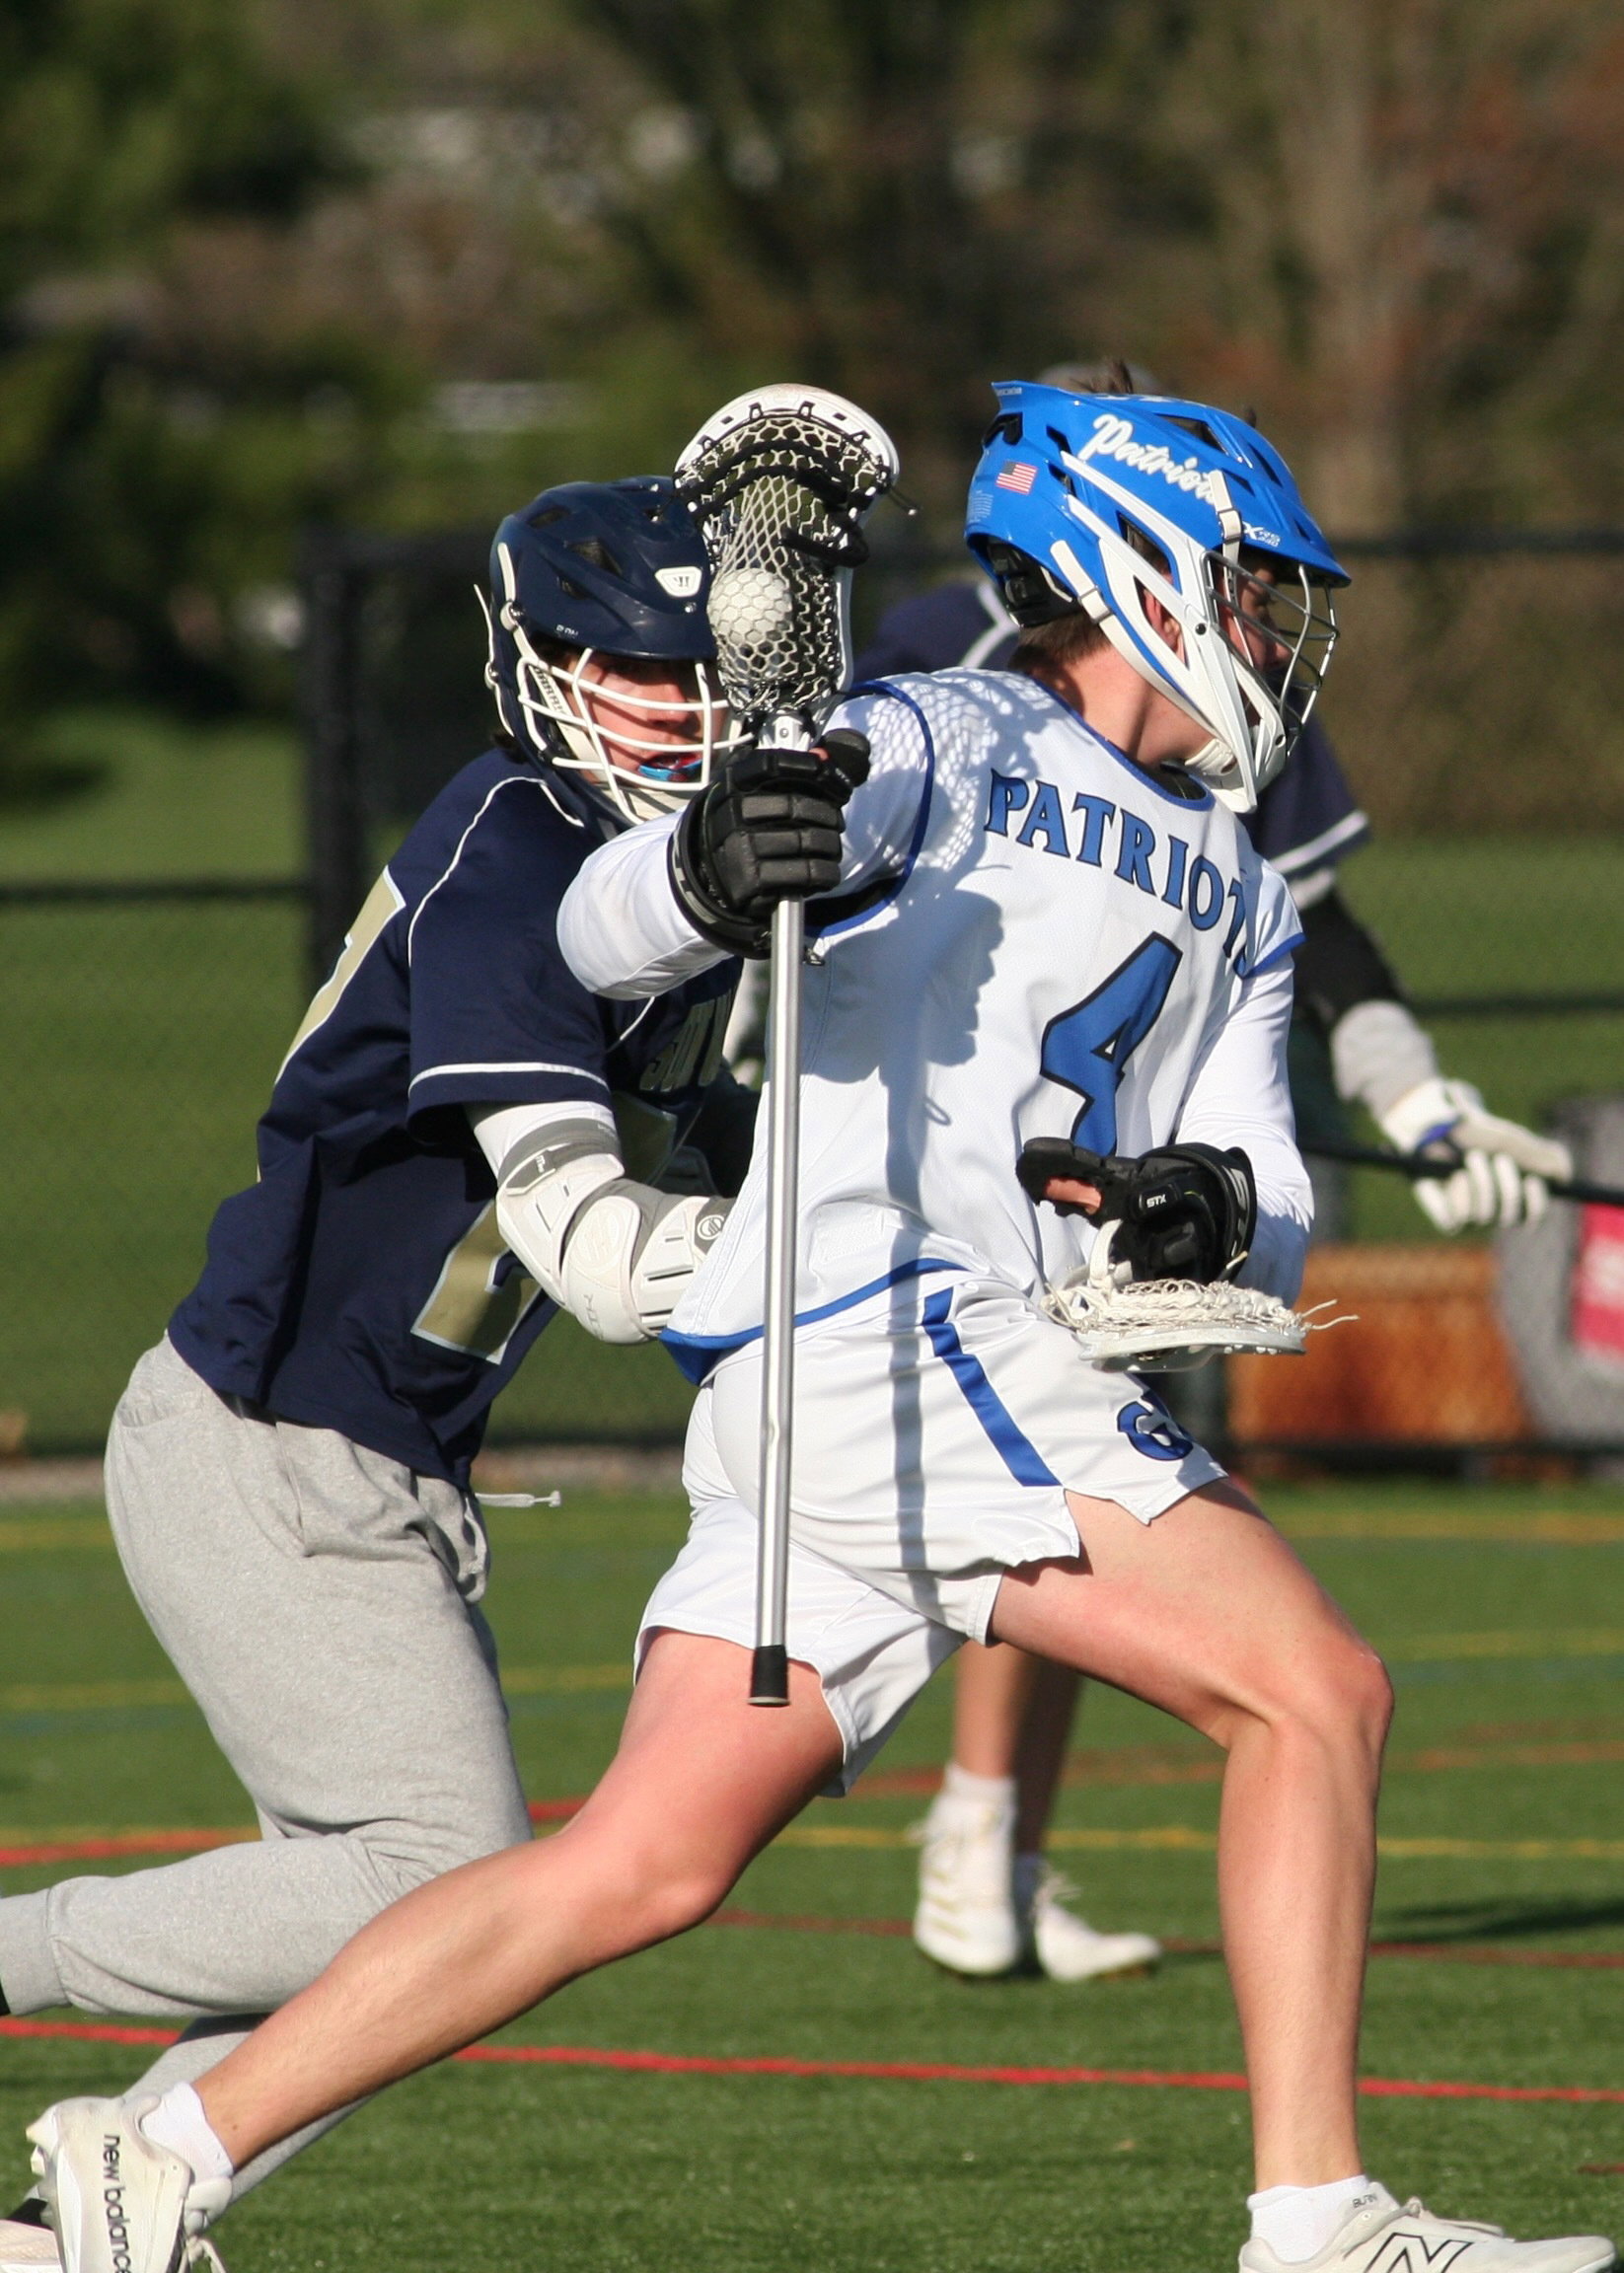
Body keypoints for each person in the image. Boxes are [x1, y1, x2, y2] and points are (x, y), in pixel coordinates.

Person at [27, 383, 1616, 2273]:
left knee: (637, 1867)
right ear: (1138, 576)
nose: (1275, 637)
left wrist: (1215, 1207)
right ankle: (1318, 2218)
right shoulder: (941, 731)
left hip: (918, 1371)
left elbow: (1266, 1194)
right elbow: (609, 924)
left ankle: (154, 2163)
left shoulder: (1248, 892)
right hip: (887, 1331)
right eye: (1251, 592)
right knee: (1313, 1689)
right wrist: (710, 866)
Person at [0, 477, 759, 2273]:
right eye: (627, 666)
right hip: (273, 1438)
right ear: (533, 661)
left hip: (380, 1459)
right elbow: (582, 1224)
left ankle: (79, 2229)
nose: (671, 705)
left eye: (696, 671)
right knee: (456, 1887)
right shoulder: (515, 839)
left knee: (412, 1941)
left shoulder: (695, 901)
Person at [863, 358, 1572, 1987]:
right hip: (913, 1196)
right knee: (1150, 1563)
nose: (1252, 612)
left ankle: (994, 1841)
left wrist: (1415, 1099)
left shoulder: (1218, 684)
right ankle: (979, 1835)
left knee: (665, 1838)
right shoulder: (938, 683)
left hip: (1090, 1179)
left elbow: (1315, 927)